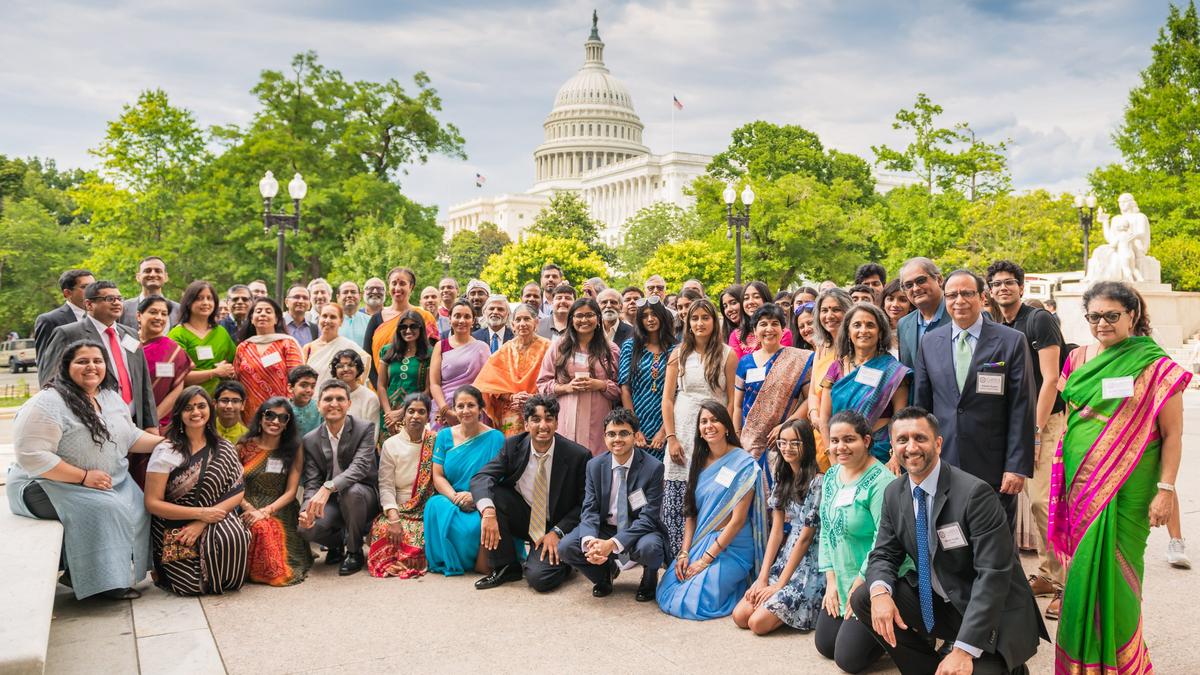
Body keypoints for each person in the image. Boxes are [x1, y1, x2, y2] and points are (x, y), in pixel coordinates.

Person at [1050, 281, 1190, 674]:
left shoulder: (1155, 365)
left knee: (1120, 576)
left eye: (1112, 315)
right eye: (1094, 316)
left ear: (1133, 316)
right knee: (1081, 572)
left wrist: (1165, 489)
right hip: (1080, 485)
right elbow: (1070, 416)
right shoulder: (1076, 359)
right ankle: (1082, 663)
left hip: (1130, 485)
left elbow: (1173, 434)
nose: (1102, 324)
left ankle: (1124, 664)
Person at [855, 407, 1048, 674]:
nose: (911, 447)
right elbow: (884, 554)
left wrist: (963, 650)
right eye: (902, 440)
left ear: (938, 444)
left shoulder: (975, 494)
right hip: (941, 604)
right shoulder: (894, 493)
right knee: (865, 597)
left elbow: (993, 576)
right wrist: (880, 593)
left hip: (989, 613)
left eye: (920, 438)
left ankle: (1004, 664)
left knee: (974, 665)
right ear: (893, 447)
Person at [7, 340, 161, 600]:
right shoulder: (47, 403)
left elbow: (130, 436)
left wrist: (169, 446)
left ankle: (104, 572)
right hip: (45, 484)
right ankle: (102, 584)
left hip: (106, 482)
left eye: (97, 361)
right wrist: (83, 477)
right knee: (105, 510)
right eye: (82, 361)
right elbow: (31, 455)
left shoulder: (110, 397)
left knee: (138, 503)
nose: (91, 366)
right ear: (66, 367)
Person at [913, 269, 1036, 529]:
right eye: (952, 295)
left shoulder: (1011, 341)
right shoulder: (929, 342)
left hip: (993, 467)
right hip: (944, 463)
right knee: (950, 543)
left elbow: (1021, 407)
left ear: (983, 297)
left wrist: (1016, 466)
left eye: (967, 293)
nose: (959, 301)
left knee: (995, 547)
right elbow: (922, 408)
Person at [986, 259, 1068, 618]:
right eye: (997, 283)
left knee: (1046, 502)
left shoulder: (1039, 320)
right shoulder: (997, 325)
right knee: (1031, 504)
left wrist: (1034, 433)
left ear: (1021, 287)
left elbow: (1051, 379)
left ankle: (1070, 586)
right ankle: (1050, 574)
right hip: (1015, 422)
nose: (1003, 288)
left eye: (1009, 282)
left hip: (1045, 422)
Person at [657, 401, 767, 620]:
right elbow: (692, 513)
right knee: (669, 591)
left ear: (727, 426)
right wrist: (685, 552)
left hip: (733, 545)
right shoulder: (697, 461)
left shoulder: (744, 463)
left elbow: (737, 521)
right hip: (702, 539)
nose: (709, 426)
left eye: (715, 420)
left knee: (692, 603)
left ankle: (737, 581)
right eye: (704, 421)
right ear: (698, 429)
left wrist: (705, 560)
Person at [472, 394, 590, 592]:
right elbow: (481, 477)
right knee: (494, 496)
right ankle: (507, 566)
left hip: (557, 524)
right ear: (526, 424)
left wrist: (558, 532)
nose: (543, 425)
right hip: (526, 517)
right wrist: (488, 513)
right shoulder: (513, 446)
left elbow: (585, 503)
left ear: (556, 423)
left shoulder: (578, 455)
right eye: (535, 419)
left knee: (540, 579)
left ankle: (568, 560)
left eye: (548, 419)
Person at [814, 410, 903, 673]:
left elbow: (883, 540)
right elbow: (827, 530)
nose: (840, 447)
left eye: (848, 440)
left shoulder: (881, 481)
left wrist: (859, 584)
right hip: (841, 576)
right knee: (825, 644)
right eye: (834, 440)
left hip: (872, 579)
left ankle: (907, 633)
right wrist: (831, 583)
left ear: (866, 440)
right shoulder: (831, 476)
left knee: (848, 660)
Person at [144, 386, 250, 596]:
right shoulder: (166, 450)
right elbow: (152, 503)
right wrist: (197, 514)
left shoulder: (224, 447)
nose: (196, 413)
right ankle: (163, 571)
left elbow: (237, 490)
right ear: (179, 413)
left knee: (233, 537)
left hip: (215, 515)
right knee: (192, 586)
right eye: (188, 408)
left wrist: (203, 521)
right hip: (175, 522)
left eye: (201, 406)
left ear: (210, 410)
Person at [558, 408, 666, 601]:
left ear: (635, 435)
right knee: (567, 547)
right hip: (605, 527)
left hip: (639, 529)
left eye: (624, 433)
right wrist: (591, 542)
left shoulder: (653, 468)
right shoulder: (594, 465)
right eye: (611, 434)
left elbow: (649, 517)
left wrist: (612, 544)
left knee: (651, 548)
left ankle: (649, 579)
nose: (617, 439)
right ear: (605, 437)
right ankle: (604, 576)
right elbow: (589, 508)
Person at [732, 419, 824, 635]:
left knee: (757, 624)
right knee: (740, 616)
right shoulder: (781, 476)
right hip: (785, 558)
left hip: (808, 563)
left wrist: (780, 585)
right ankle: (773, 593)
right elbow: (776, 529)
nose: (787, 448)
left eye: (794, 443)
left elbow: (805, 538)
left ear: (807, 445)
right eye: (782, 442)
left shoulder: (817, 481)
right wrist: (763, 577)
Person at [661, 298, 737, 558]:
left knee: (710, 497)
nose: (700, 323)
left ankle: (704, 560)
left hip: (714, 430)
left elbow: (732, 400)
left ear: (714, 322)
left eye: (706, 317)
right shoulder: (678, 353)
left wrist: (730, 442)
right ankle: (676, 562)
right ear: (688, 323)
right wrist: (671, 438)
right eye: (694, 318)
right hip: (682, 429)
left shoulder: (727, 354)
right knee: (678, 502)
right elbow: (668, 399)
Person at [40, 281, 157, 433]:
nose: (116, 303)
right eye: (109, 299)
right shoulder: (68, 334)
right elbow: (50, 380)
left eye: (119, 298)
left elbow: (143, 380)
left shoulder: (131, 334)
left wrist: (151, 424)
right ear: (89, 305)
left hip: (134, 423)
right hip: (90, 424)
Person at [298, 380, 379, 576]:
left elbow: (359, 467)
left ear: (349, 404)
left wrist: (328, 487)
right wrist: (306, 508)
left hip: (363, 496)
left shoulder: (364, 428)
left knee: (352, 492)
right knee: (306, 527)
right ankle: (336, 545)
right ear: (319, 405)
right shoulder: (310, 439)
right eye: (328, 399)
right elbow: (312, 481)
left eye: (340, 399)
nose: (334, 403)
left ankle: (354, 551)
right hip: (332, 501)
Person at [424, 386, 506, 576]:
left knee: (472, 528)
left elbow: (500, 478)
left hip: (483, 499)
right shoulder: (444, 436)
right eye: (460, 406)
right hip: (452, 496)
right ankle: (451, 559)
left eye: (471, 405)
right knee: (434, 505)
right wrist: (454, 497)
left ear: (480, 408)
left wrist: (475, 497)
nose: (465, 410)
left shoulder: (495, 438)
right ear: (454, 409)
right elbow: (438, 476)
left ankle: (478, 561)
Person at [818, 303, 910, 470]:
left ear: (880, 332)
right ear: (848, 331)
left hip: (881, 453)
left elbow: (900, 419)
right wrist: (831, 453)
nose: (863, 330)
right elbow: (824, 417)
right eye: (857, 325)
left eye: (870, 325)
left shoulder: (892, 370)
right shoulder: (837, 368)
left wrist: (895, 456)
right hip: (842, 453)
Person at [237, 396, 313, 586]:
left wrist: (266, 511)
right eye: (270, 415)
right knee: (255, 526)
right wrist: (249, 509)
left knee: (264, 529)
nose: (276, 421)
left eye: (283, 418)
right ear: (261, 418)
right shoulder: (244, 446)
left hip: (279, 507)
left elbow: (291, 492)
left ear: (288, 423)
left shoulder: (294, 448)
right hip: (244, 505)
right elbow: (232, 485)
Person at [734, 304, 814, 476]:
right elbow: (738, 405)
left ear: (783, 329)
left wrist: (786, 425)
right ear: (754, 331)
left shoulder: (799, 359)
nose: (769, 329)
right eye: (763, 324)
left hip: (783, 441)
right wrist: (737, 438)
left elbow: (810, 399)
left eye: (774, 323)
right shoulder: (745, 362)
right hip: (748, 440)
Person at [537, 297, 620, 455]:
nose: (584, 320)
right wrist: (566, 387)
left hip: (598, 418)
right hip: (565, 417)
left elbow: (620, 389)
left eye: (589, 315)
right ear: (571, 319)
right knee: (567, 463)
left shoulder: (611, 349)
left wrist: (600, 385)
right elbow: (542, 384)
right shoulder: (559, 347)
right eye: (579, 316)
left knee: (596, 463)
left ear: (598, 319)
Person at [367, 393, 438, 578]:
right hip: (398, 507)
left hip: (426, 507)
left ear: (428, 416)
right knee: (384, 530)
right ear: (404, 415)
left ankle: (411, 560)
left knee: (421, 533)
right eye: (411, 411)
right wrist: (393, 517)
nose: (415, 416)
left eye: (421, 412)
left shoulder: (435, 442)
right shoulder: (391, 444)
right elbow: (386, 485)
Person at [474, 304, 552, 437]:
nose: (522, 323)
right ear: (513, 324)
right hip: (511, 410)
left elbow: (554, 380)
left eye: (527, 319)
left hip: (541, 406)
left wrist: (533, 398)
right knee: (512, 449)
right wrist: (512, 396)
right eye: (518, 319)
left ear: (536, 322)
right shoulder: (505, 350)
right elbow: (488, 386)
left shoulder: (549, 347)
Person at [619, 295, 676, 461]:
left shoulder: (675, 349)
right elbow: (625, 389)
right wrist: (634, 428)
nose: (650, 319)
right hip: (637, 421)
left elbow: (678, 394)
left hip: (667, 422)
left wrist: (664, 431)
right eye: (644, 316)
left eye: (654, 314)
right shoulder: (630, 346)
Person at [234, 297, 303, 425]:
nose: (263, 314)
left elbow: (297, 380)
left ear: (276, 319)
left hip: (281, 415)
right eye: (258, 311)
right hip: (249, 416)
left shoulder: (287, 344)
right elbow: (237, 383)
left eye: (268, 311)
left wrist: (285, 410)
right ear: (251, 318)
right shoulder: (243, 347)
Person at [363, 267, 437, 388]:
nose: (397, 288)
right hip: (380, 390)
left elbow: (432, 357)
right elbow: (368, 356)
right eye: (394, 283)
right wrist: (381, 389)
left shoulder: (424, 317)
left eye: (402, 283)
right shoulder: (376, 319)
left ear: (411, 287)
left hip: (416, 392)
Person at [430, 299, 491, 426]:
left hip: (473, 411)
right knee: (441, 445)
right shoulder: (441, 346)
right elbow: (434, 384)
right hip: (444, 410)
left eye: (467, 316)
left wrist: (471, 410)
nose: (462, 321)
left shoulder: (482, 348)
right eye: (457, 316)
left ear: (473, 321)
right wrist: (446, 411)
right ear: (450, 319)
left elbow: (487, 384)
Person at [137, 296, 191, 438]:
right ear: (139, 315)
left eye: (164, 314)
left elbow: (177, 389)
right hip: (126, 419)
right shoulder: (127, 343)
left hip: (160, 424)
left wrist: (152, 421)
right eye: (153, 312)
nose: (159, 317)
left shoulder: (173, 350)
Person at [171, 280, 237, 395]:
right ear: (188, 302)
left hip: (219, 402)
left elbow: (235, 362)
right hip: (188, 401)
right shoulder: (178, 334)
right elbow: (176, 377)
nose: (205, 302)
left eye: (209, 298)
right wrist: (214, 372)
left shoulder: (221, 332)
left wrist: (228, 370)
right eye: (199, 298)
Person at [377, 310, 432, 439]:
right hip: (388, 414)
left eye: (413, 326)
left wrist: (403, 412)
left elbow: (428, 389)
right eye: (403, 327)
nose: (408, 330)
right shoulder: (388, 351)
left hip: (415, 414)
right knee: (389, 454)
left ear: (421, 328)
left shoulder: (429, 353)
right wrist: (388, 413)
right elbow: (381, 385)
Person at [33, 269, 94, 375]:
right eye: (85, 287)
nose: (92, 291)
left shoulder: (102, 317)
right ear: (67, 293)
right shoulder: (50, 320)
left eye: (94, 286)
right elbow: (45, 364)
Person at [896, 257, 950, 369]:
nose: (915, 288)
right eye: (909, 285)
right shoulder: (904, 324)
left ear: (939, 279)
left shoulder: (961, 315)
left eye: (921, 280)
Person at [303, 302, 369, 388]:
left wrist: (353, 387)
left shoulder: (348, 345)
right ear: (319, 319)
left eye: (333, 317)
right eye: (324, 316)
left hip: (338, 399)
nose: (327, 320)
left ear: (341, 322)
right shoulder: (308, 348)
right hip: (313, 399)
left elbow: (366, 360)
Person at [729, 281, 793, 358]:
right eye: (746, 298)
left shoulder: (782, 333)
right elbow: (736, 366)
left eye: (756, 297)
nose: (750, 302)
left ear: (766, 299)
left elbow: (781, 363)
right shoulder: (736, 336)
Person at [119, 256, 178, 328]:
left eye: (158, 271)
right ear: (138, 277)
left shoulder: (179, 310)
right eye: (147, 271)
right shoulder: (123, 308)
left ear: (166, 277)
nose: (153, 274)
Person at [331, 348, 379, 425]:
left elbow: (373, 431)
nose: (346, 369)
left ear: (358, 369)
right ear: (335, 370)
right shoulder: (329, 396)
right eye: (340, 366)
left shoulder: (370, 398)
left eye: (351, 365)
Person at [881, 278, 914, 352]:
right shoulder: (878, 331)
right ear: (883, 303)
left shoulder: (917, 331)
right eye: (890, 299)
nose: (895, 304)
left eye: (902, 300)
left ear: (911, 306)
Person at [287, 365, 321, 436]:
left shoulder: (320, 408)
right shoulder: (283, 408)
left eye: (312, 386)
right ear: (290, 388)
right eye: (303, 385)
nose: (309, 390)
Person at [337, 281, 370, 347]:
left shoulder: (370, 321)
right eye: (345, 292)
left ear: (360, 296)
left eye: (353, 292)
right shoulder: (331, 321)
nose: (349, 295)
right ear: (338, 297)